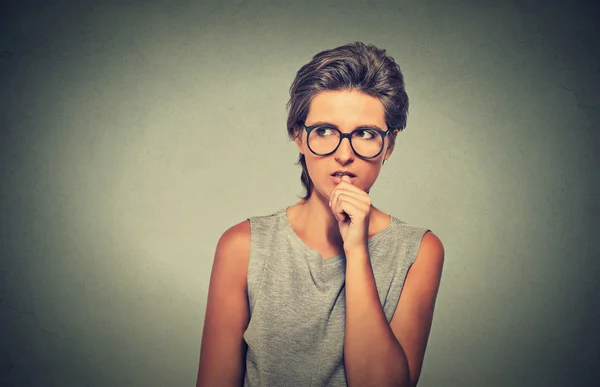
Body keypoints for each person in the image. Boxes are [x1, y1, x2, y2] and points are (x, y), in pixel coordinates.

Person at [196, 42, 444, 387]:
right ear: (299, 136)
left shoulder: (419, 251)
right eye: (325, 131)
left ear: (389, 145)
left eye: (365, 134)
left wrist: (356, 250)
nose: (344, 154)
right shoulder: (243, 246)